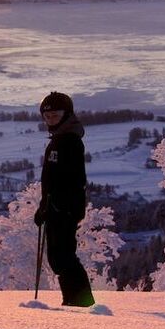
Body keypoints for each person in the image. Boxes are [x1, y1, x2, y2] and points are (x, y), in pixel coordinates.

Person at [34, 91, 95, 307]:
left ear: (67, 114)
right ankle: (75, 301)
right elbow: (51, 180)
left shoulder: (70, 142)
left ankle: (81, 302)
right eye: (47, 116)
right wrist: (44, 206)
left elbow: (76, 179)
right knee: (58, 258)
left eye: (55, 115)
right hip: (56, 208)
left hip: (64, 210)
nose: (50, 120)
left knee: (63, 257)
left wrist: (61, 207)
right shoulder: (59, 139)